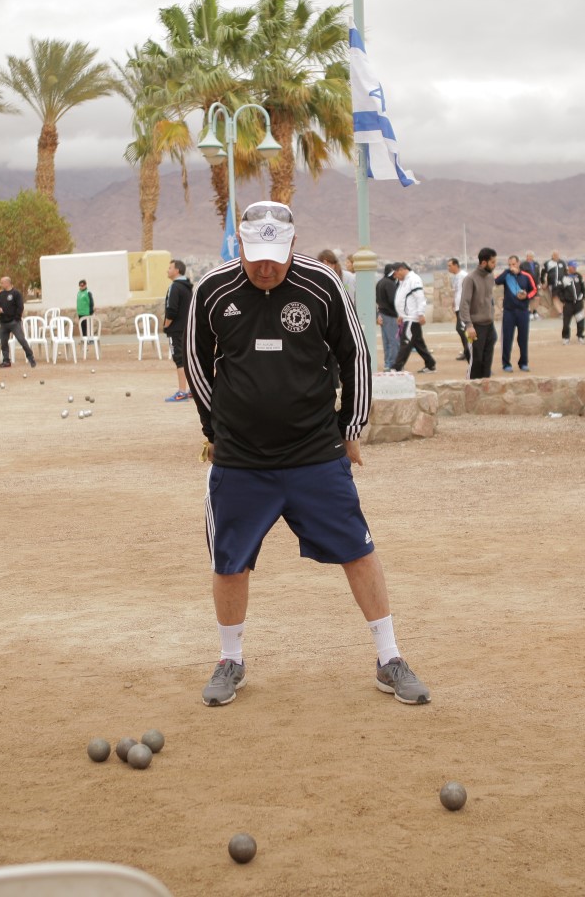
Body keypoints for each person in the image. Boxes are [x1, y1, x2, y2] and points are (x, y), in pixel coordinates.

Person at [186, 200, 429, 708]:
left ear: (293, 244)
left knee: (358, 550)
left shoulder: (323, 284)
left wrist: (351, 427)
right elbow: (196, 362)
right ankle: (230, 660)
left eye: (275, 257)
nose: (265, 268)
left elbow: (355, 354)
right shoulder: (212, 289)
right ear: (240, 245)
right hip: (241, 459)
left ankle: (389, 658)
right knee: (229, 561)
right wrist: (215, 429)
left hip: (314, 452)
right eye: (255, 258)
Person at [458, 248, 498, 380]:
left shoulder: (490, 277)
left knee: (487, 363)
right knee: (476, 362)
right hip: (475, 327)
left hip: (489, 325)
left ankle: (484, 391)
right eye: (492, 262)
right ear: (484, 263)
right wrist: (469, 325)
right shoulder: (470, 279)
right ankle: (470, 389)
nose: (495, 265)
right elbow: (464, 304)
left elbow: (489, 299)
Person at [391, 262, 436, 373]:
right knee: (418, 343)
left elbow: (420, 298)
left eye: (396, 273)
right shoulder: (403, 281)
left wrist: (421, 314)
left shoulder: (414, 279)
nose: (395, 276)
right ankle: (430, 364)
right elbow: (403, 299)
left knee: (405, 342)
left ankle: (397, 367)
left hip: (412, 317)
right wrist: (401, 315)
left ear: (401, 269)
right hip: (407, 317)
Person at [496, 254, 537, 372]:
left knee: (523, 338)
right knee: (507, 338)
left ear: (518, 263)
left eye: (513, 264)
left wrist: (526, 296)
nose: (511, 266)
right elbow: (497, 281)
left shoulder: (526, 276)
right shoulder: (506, 275)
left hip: (523, 311)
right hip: (509, 311)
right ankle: (506, 364)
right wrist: (507, 271)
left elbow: (534, 289)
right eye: (509, 264)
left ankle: (523, 363)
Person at [164, 259, 194, 402]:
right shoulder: (187, 287)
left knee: (179, 359)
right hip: (187, 328)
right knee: (188, 359)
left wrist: (166, 325)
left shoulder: (175, 287)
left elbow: (171, 310)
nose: (167, 270)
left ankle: (182, 392)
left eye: (170, 268)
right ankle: (192, 390)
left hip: (176, 330)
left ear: (177, 270)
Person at [0, 276, 36, 368]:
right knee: (3, 342)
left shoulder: (16, 293)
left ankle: (30, 357)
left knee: (21, 340)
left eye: (2, 283)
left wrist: (16, 318)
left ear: (7, 283)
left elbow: (20, 306)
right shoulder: (0, 294)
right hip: (3, 322)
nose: (1, 284)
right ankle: (6, 361)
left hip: (14, 322)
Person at [374, 263, 400, 370]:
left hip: (382, 314)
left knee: (387, 342)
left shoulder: (380, 282)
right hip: (390, 315)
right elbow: (393, 300)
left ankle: (387, 363)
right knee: (394, 341)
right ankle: (392, 363)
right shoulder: (390, 284)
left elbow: (376, 300)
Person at [554, 260, 585, 344]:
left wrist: (583, 296)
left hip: (578, 303)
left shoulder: (578, 276)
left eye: (575, 267)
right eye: (573, 267)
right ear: (569, 267)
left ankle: (580, 336)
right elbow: (559, 290)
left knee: (580, 320)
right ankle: (566, 337)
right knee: (566, 322)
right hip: (568, 303)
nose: (575, 268)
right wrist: (563, 300)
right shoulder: (563, 277)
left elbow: (583, 287)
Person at [446, 258, 469, 360]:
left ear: (456, 265)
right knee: (461, 329)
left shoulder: (464, 275)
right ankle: (467, 351)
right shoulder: (455, 277)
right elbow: (457, 290)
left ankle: (469, 351)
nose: (448, 268)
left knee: (461, 328)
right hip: (458, 306)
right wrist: (454, 301)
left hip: (463, 307)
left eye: (450, 265)